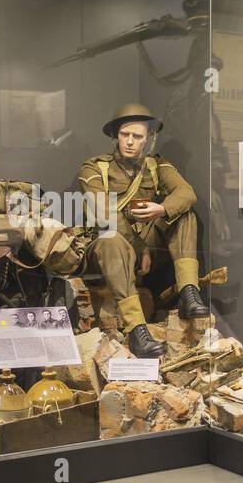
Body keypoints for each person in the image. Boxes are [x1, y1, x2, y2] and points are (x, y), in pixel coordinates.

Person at [76, 103, 210, 359]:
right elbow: (105, 215)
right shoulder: (93, 169)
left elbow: (186, 193)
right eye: (124, 134)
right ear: (115, 136)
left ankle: (189, 292)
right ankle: (137, 329)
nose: (129, 142)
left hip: (145, 244)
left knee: (184, 214)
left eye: (137, 136)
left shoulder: (156, 165)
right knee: (111, 238)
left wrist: (162, 209)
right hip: (107, 249)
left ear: (147, 138)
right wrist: (141, 249)